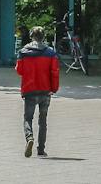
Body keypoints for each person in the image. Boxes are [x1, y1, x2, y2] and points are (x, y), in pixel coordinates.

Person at [14, 26, 60, 158]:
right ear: (43, 37)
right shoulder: (51, 53)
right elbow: (55, 72)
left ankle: (29, 138)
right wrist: (54, 88)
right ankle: (41, 149)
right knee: (43, 120)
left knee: (28, 118)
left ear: (31, 36)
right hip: (45, 90)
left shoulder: (23, 52)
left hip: (30, 90)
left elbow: (19, 71)